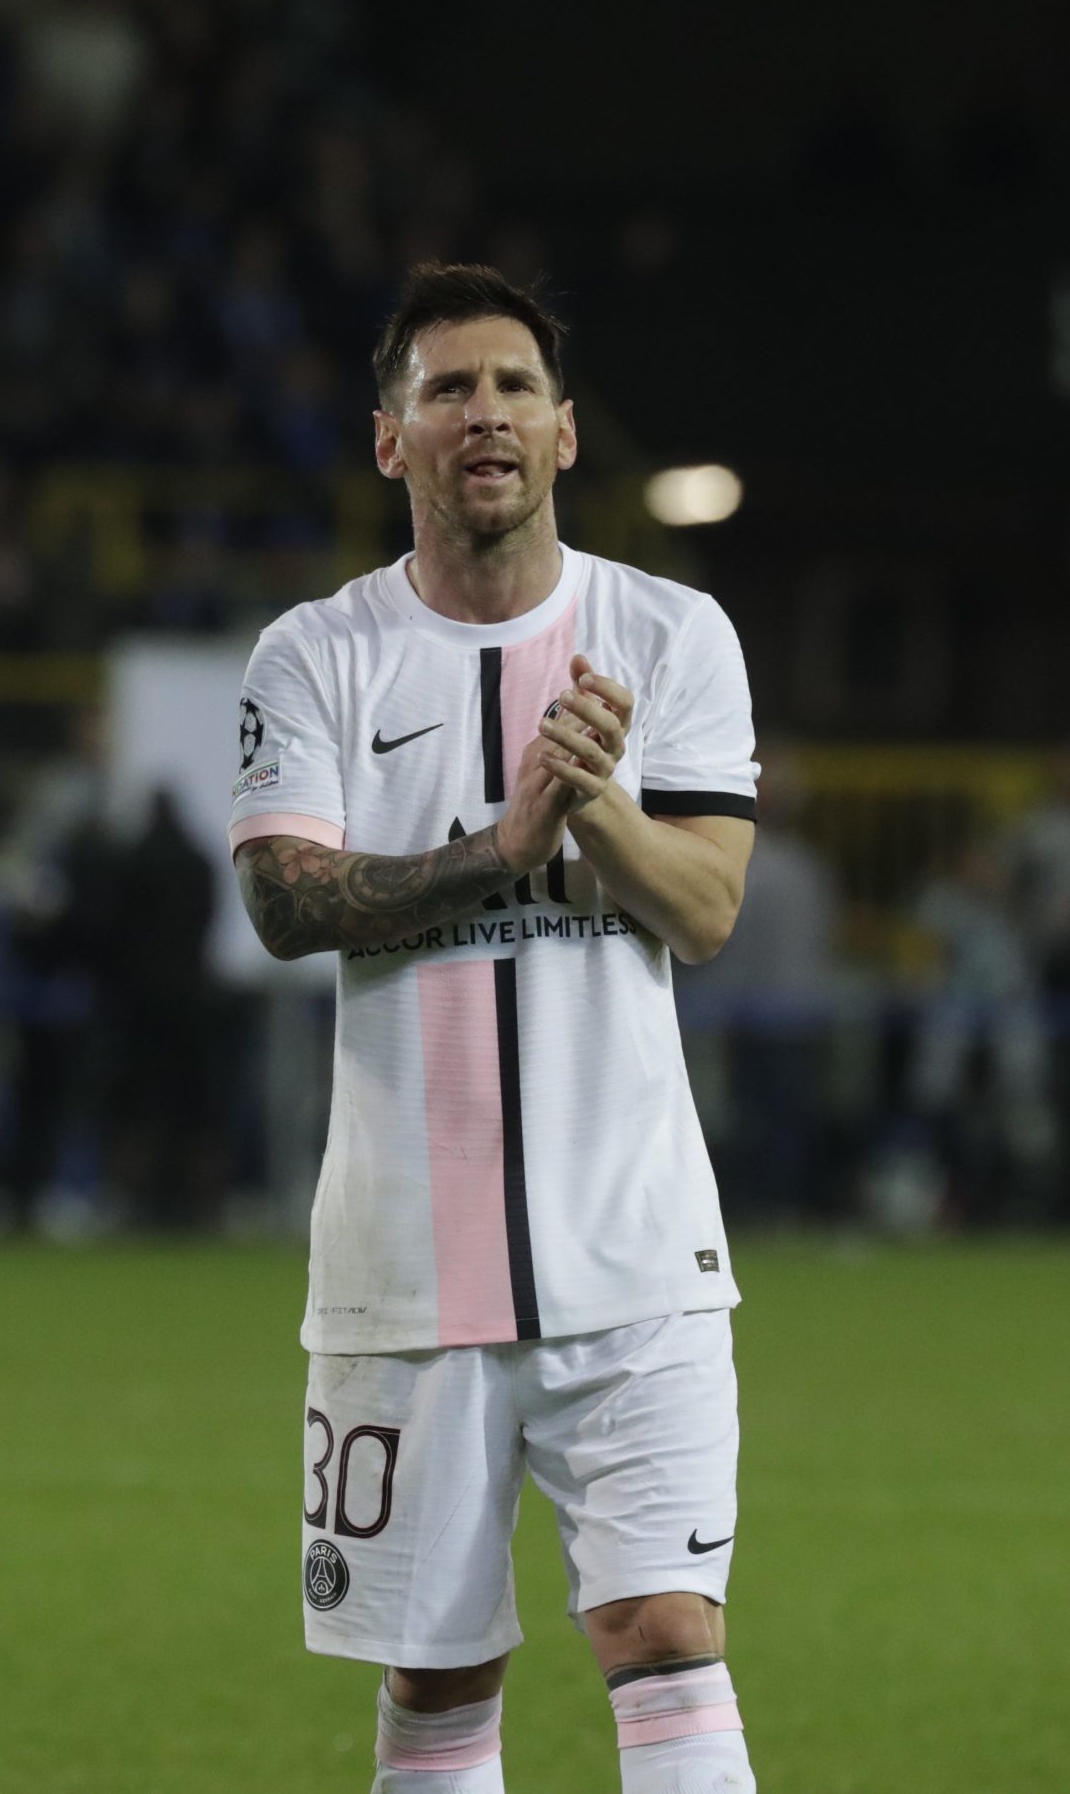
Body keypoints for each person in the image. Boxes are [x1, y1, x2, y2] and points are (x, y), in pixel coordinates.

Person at [229, 263, 760, 1794]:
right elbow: (285, 901)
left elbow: (707, 908)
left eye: (515, 386)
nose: (486, 414)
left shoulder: (671, 632)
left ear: (566, 432)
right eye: (448, 388)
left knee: (666, 1627)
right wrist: (500, 846)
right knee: (437, 1671)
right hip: (405, 1266)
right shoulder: (314, 653)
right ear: (388, 437)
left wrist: (598, 807)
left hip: (638, 1255)